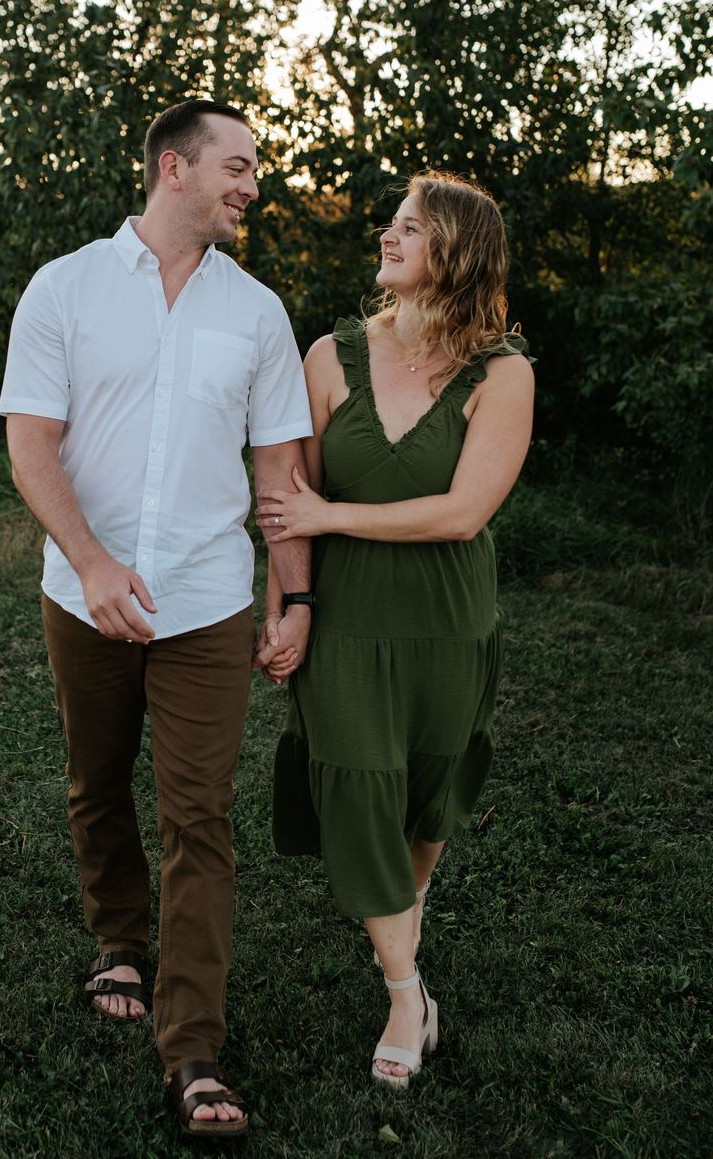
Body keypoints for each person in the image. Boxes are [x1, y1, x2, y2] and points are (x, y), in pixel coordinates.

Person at [0, 99, 313, 1138]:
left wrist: (291, 592)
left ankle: (192, 1048)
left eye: (255, 169)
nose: (251, 185)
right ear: (172, 167)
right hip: (80, 595)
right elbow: (32, 445)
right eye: (237, 165)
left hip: (209, 599)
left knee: (199, 816)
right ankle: (117, 938)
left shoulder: (257, 312)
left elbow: (278, 473)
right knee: (96, 780)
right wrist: (89, 562)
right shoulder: (66, 287)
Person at [255, 171, 535, 1089]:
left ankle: (402, 944)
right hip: (347, 621)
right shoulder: (329, 356)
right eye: (393, 222)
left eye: (409, 227)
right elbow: (284, 502)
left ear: (454, 251)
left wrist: (331, 519)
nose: (387, 235)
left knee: (426, 796)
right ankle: (407, 992)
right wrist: (285, 605)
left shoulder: (504, 373)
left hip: (449, 618)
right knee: (358, 791)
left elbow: (463, 513)